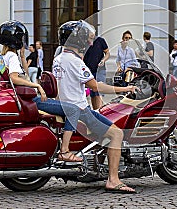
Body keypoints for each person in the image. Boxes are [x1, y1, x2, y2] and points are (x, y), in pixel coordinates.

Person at [55, 20, 137, 193]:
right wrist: (125, 88)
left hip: (65, 105)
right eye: (87, 39)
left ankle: (97, 166)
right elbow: (95, 86)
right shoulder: (76, 62)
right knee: (116, 134)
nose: (90, 43)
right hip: (81, 110)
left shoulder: (59, 59)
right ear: (78, 41)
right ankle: (113, 180)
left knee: (105, 122)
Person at [0, 20, 82, 162]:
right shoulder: (11, 57)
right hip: (31, 99)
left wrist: (23, 57)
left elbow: (20, 73)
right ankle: (65, 150)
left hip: (23, 98)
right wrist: (37, 86)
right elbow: (14, 78)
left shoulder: (3, 56)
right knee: (73, 110)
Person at [83, 31, 110, 109]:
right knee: (92, 93)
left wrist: (103, 60)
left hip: (99, 69)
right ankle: (96, 112)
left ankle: (99, 112)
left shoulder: (100, 40)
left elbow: (107, 53)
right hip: (88, 70)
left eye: (92, 32)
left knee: (98, 91)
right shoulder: (84, 41)